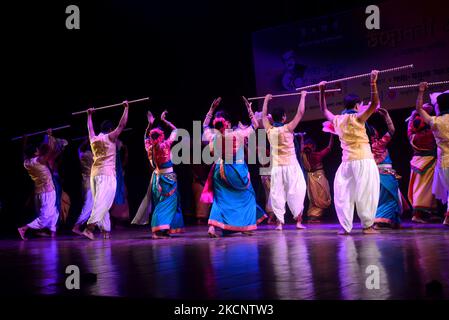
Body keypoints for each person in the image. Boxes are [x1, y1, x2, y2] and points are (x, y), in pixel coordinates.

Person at [319, 70, 380, 235]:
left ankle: (346, 227)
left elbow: (324, 109)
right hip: (363, 160)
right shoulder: (358, 118)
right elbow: (374, 105)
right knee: (366, 193)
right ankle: (367, 226)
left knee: (344, 194)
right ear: (357, 105)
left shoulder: (338, 119)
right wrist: (373, 83)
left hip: (347, 163)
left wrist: (322, 90)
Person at [201, 97, 266, 237]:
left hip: (220, 171)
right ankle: (245, 225)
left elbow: (205, 127)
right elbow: (255, 126)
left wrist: (211, 110)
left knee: (220, 199)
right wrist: (249, 110)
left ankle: (212, 227)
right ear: (228, 123)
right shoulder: (238, 134)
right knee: (248, 196)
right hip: (237, 172)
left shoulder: (213, 135)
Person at [132, 110, 184, 239]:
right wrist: (165, 120)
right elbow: (176, 130)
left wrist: (149, 125)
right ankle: (158, 231)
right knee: (167, 204)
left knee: (162, 203)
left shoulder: (149, 147)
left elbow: (145, 137)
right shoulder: (165, 145)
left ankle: (163, 229)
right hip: (167, 179)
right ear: (161, 136)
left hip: (158, 179)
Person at [81, 101, 129, 240]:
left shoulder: (94, 139)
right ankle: (89, 228)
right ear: (109, 129)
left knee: (102, 202)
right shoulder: (110, 137)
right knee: (103, 202)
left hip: (95, 175)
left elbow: (89, 129)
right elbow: (122, 125)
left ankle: (105, 230)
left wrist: (89, 115)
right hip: (106, 175)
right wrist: (126, 108)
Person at [262, 91, 307, 230]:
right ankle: (298, 222)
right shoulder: (288, 128)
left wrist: (266, 100)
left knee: (277, 193)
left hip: (277, 168)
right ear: (283, 117)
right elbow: (300, 113)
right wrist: (303, 96)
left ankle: (280, 223)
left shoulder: (269, 130)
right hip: (291, 166)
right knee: (297, 191)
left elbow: (263, 116)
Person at [415, 84, 449, 227]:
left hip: (443, 164)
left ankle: (447, 217)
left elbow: (419, 109)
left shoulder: (435, 121)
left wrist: (421, 91)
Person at [18, 130, 59, 240]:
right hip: (47, 192)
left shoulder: (26, 163)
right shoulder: (39, 160)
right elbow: (50, 150)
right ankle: (24, 228)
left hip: (39, 193)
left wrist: (24, 140)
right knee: (44, 218)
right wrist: (49, 135)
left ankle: (52, 231)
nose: (38, 150)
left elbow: (23, 152)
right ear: (35, 153)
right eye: (36, 150)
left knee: (54, 212)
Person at [371, 108, 403, 229]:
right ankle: (380, 220)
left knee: (382, 198)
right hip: (386, 176)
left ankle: (385, 220)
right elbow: (392, 130)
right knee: (390, 198)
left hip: (375, 176)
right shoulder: (379, 143)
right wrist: (386, 116)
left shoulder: (365, 148)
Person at [407, 103, 438, 223]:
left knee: (425, 188)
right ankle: (418, 214)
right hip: (427, 162)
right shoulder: (429, 134)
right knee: (424, 189)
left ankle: (428, 213)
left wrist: (415, 113)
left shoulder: (412, 136)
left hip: (418, 162)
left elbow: (409, 127)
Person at [299, 133, 333, 223]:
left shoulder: (304, 155)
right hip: (319, 177)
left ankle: (312, 216)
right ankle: (314, 216)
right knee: (319, 197)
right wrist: (332, 135)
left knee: (314, 198)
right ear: (313, 147)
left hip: (311, 178)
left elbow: (302, 147)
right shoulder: (317, 155)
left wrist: (302, 137)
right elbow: (329, 147)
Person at [72, 139, 94, 235]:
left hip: (85, 183)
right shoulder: (93, 156)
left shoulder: (82, 155)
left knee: (90, 206)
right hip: (90, 183)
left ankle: (95, 227)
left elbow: (79, 149)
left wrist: (85, 141)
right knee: (88, 207)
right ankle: (76, 226)